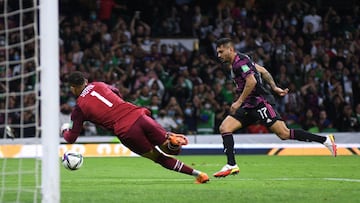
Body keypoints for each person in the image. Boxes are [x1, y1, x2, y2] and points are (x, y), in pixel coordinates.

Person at [213, 38, 337, 178]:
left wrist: (238, 101)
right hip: (249, 105)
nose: (219, 55)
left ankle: (325, 140)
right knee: (225, 127)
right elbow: (263, 71)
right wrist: (274, 87)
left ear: (230, 49)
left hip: (260, 102)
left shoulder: (239, 62)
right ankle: (231, 164)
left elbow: (252, 81)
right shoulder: (243, 60)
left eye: (221, 51)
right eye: (217, 52)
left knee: (284, 133)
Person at [61, 71, 209, 184]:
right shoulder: (98, 84)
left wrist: (64, 130)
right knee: (169, 148)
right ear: (86, 81)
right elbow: (117, 92)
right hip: (139, 115)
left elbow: (71, 138)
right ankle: (172, 141)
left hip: (126, 130)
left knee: (159, 158)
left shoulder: (79, 108)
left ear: (72, 88)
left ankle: (199, 175)